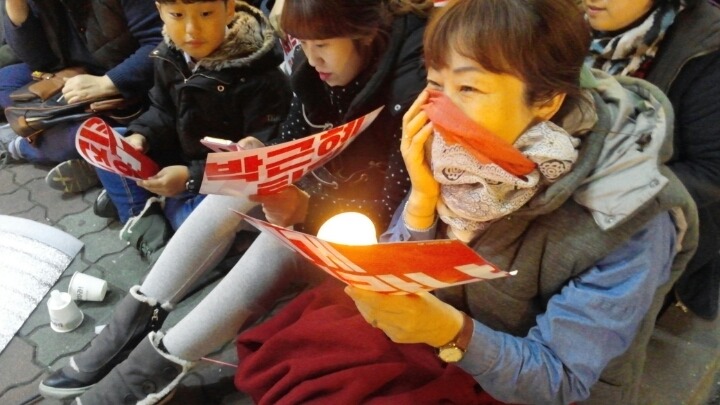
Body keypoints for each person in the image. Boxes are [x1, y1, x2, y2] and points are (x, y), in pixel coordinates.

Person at [226, 0, 699, 404]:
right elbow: (399, 264)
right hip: (439, 333)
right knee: (298, 348)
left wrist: (449, 331)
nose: (443, 113)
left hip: (518, 376)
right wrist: (420, 201)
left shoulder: (630, 216)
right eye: (435, 85)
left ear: (547, 101)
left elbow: (562, 379)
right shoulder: (452, 155)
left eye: (469, 88)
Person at [38, 0, 431, 402]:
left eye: (323, 45)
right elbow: (291, 137)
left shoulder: (407, 92)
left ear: (364, 35)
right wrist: (259, 154)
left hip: (364, 232)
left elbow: (392, 208)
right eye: (303, 44)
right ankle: (133, 323)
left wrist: (306, 209)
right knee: (234, 192)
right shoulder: (313, 65)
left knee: (277, 239)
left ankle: (159, 365)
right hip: (319, 191)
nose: (312, 59)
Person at [84, 0, 291, 258]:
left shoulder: (261, 76)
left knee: (192, 219)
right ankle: (144, 217)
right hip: (181, 157)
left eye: (205, 13)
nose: (192, 29)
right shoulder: (168, 54)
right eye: (177, 15)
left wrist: (191, 177)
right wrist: (142, 136)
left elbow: (264, 158)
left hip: (223, 182)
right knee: (110, 142)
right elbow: (162, 110)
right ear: (160, 12)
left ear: (229, 9)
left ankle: (143, 210)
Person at [583, 0, 720, 321]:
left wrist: (601, 191)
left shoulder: (705, 48)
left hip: (650, 219)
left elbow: (712, 171)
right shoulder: (569, 25)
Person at [0, 0, 162, 191]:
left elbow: (161, 43)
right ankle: (101, 158)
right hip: (73, 77)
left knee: (83, 137)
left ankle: (25, 147)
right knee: (7, 80)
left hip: (131, 87)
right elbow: (39, 60)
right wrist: (16, 7)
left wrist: (109, 82)